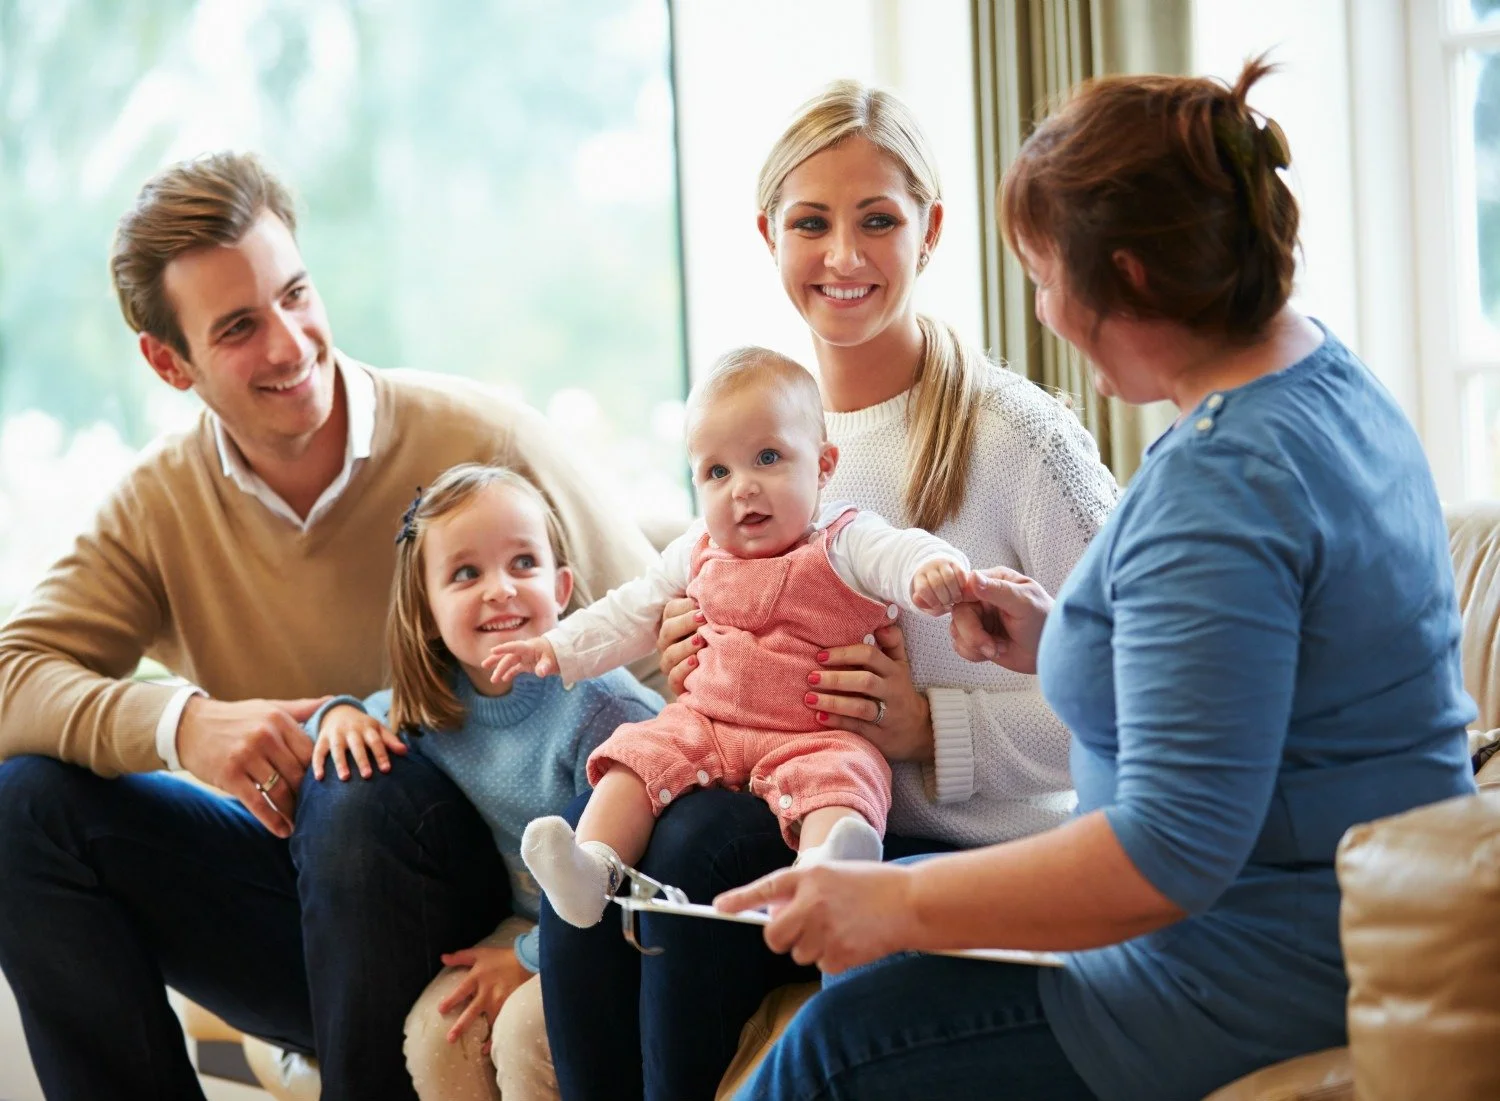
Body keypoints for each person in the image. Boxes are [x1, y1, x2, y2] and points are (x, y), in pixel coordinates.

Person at [714, 59, 1479, 1101]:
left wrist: (894, 907)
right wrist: (1066, 635)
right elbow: (1257, 676)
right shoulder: (1322, 382)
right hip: (1294, 917)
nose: (1043, 313)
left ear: (1130, 278)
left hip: (1239, 963)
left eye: (1044, 277)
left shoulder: (1223, 483)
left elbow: (1167, 853)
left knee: (830, 1050)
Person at [0, 152, 658, 1101]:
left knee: (353, 784)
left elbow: (670, 635)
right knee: (22, 808)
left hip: (493, 893)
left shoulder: (488, 444)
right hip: (297, 917)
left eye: (295, 294)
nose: (289, 344)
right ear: (168, 362)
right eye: (238, 327)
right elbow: (14, 673)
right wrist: (183, 724)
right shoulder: (157, 508)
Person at [536, 81, 1119, 1101]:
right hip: (790, 803)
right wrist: (693, 660)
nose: (844, 256)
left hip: (956, 847)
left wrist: (932, 728)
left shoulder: (1021, 441)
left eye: (878, 221)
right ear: (769, 235)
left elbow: (1142, 705)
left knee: (692, 848)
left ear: (932, 230)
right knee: (618, 845)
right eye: (811, 223)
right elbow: (718, 651)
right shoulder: (753, 437)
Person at [487, 348, 969, 927]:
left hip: (815, 735)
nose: (743, 488)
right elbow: (631, 610)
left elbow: (903, 552)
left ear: (823, 466)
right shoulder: (696, 549)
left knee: (846, 778)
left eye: (767, 458)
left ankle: (828, 872)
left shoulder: (846, 541)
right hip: (706, 724)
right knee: (633, 761)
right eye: (718, 472)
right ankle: (593, 869)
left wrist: (931, 571)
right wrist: (556, 645)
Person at [306, 463, 662, 1101]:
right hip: (527, 920)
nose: (500, 590)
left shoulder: (602, 708)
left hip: (617, 924)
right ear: (427, 610)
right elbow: (361, 717)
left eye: (523, 563)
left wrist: (528, 958)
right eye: (466, 573)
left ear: (561, 587)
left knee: (525, 1034)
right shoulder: (435, 703)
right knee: (435, 1034)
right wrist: (336, 715)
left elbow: (630, 876)